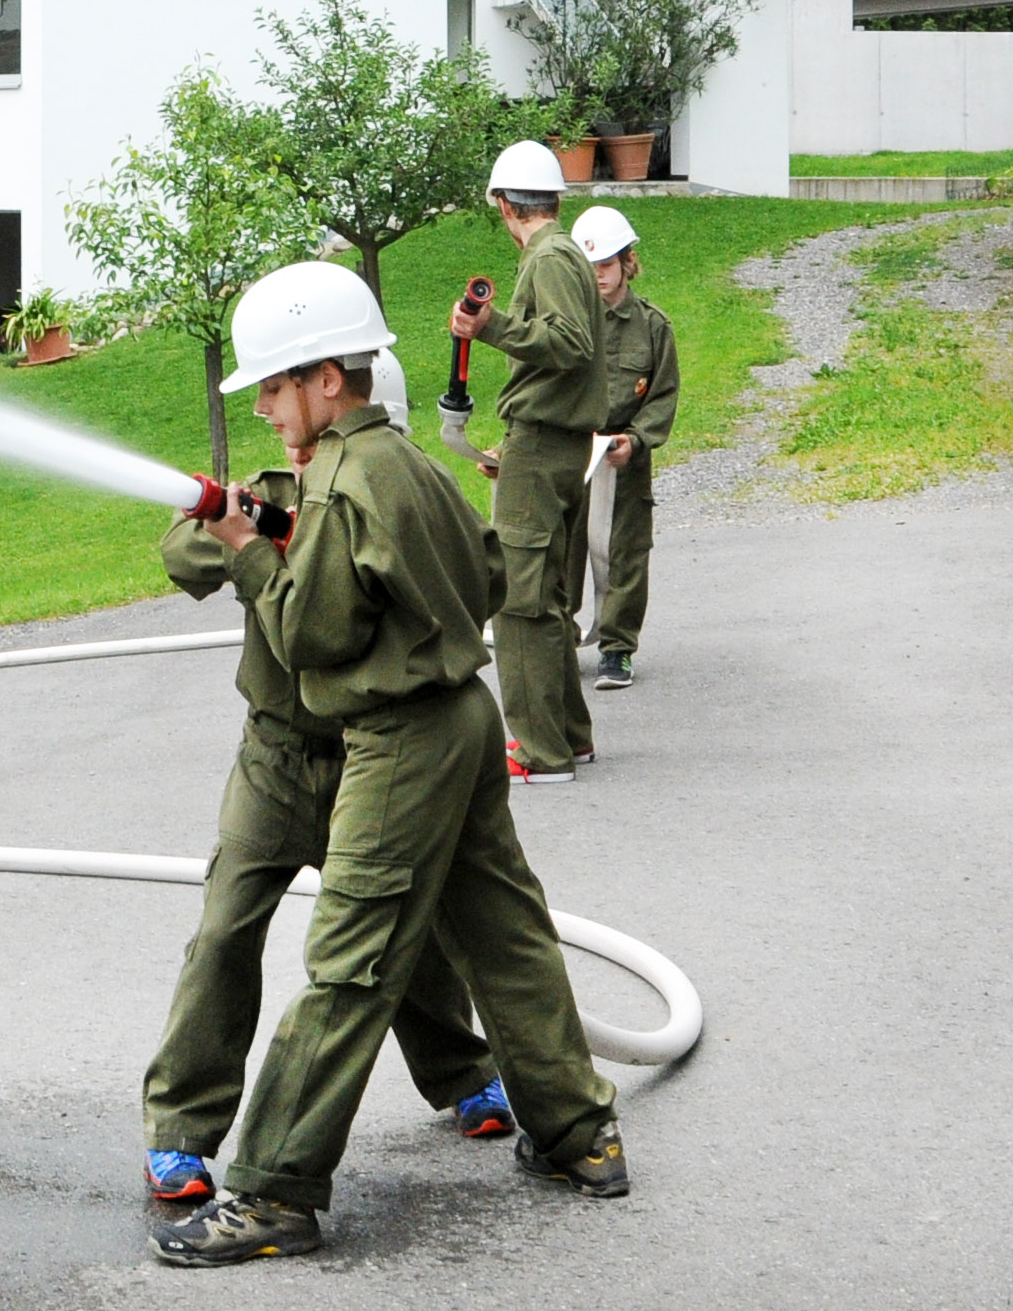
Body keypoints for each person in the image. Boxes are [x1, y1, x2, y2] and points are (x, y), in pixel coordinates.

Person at [156, 261, 625, 1266]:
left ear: (328, 379)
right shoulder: (410, 466)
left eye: (274, 385)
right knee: (504, 932)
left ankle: (272, 1192)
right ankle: (579, 1135)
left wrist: (247, 545)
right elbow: (488, 572)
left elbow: (312, 635)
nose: (266, 407)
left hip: (398, 739)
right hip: (464, 716)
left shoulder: (338, 481)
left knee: (350, 960)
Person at [141, 314, 512, 1243]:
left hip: (374, 752)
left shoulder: (384, 490)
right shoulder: (274, 492)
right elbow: (183, 552)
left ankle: (465, 1076)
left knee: (398, 935)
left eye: (279, 395)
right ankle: (181, 1129)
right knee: (226, 929)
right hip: (276, 760)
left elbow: (467, 575)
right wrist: (256, 532)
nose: (272, 418)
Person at [450, 142, 608, 786]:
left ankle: (541, 752)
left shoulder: (548, 257)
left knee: (519, 602)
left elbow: (570, 345)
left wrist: (489, 327)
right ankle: (568, 736)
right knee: (546, 599)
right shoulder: (563, 255)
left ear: (504, 205)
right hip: (551, 442)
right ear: (552, 199)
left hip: (544, 445)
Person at [571, 206, 679, 692]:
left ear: (626, 262)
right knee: (564, 546)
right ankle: (559, 635)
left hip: (624, 451)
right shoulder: (569, 322)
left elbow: (662, 395)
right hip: (572, 447)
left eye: (606, 265)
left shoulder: (652, 326)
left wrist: (634, 441)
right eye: (589, 266)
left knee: (626, 551)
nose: (599, 276)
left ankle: (617, 648)